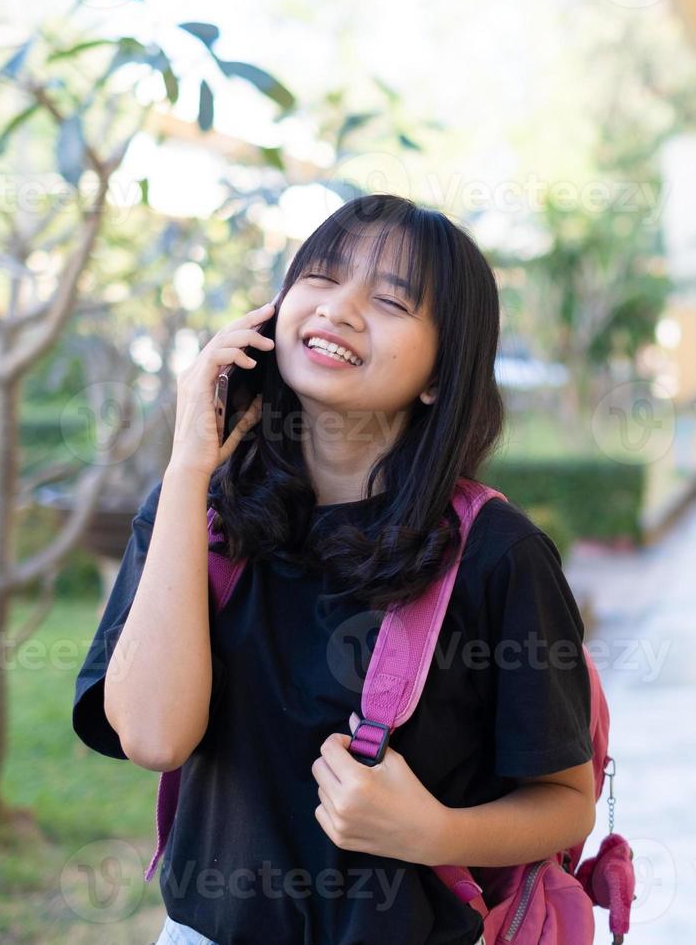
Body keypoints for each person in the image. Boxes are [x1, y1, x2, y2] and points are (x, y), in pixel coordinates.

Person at [72, 194, 595, 945]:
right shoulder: (200, 513)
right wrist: (188, 469)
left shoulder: (496, 555)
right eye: (320, 278)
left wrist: (435, 833)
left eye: (389, 300)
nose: (340, 310)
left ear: (439, 378)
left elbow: (566, 802)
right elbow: (155, 741)